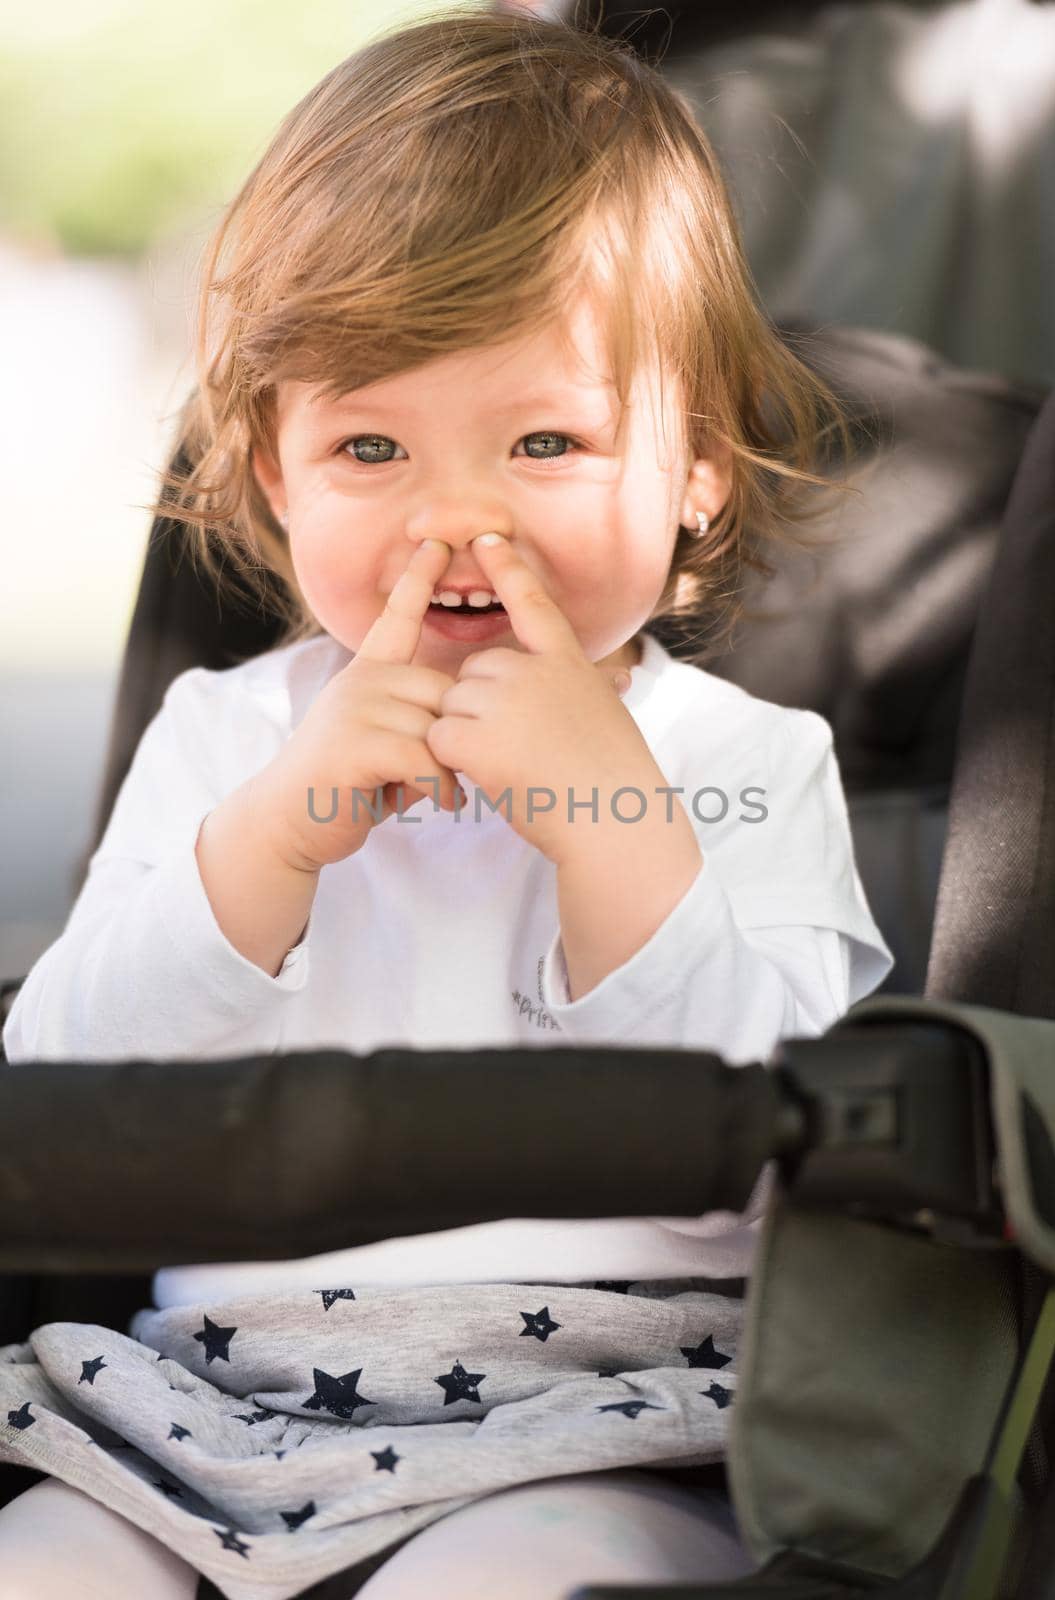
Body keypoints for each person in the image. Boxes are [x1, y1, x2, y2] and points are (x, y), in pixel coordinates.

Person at [0, 6, 894, 1597]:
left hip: (608, 1426)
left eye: (544, 439)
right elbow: (61, 1106)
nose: (458, 518)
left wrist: (608, 818)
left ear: (696, 464)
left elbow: (788, 1160)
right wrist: (276, 836)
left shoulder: (750, 765)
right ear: (276, 476)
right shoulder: (224, 742)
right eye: (371, 446)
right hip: (206, 1415)